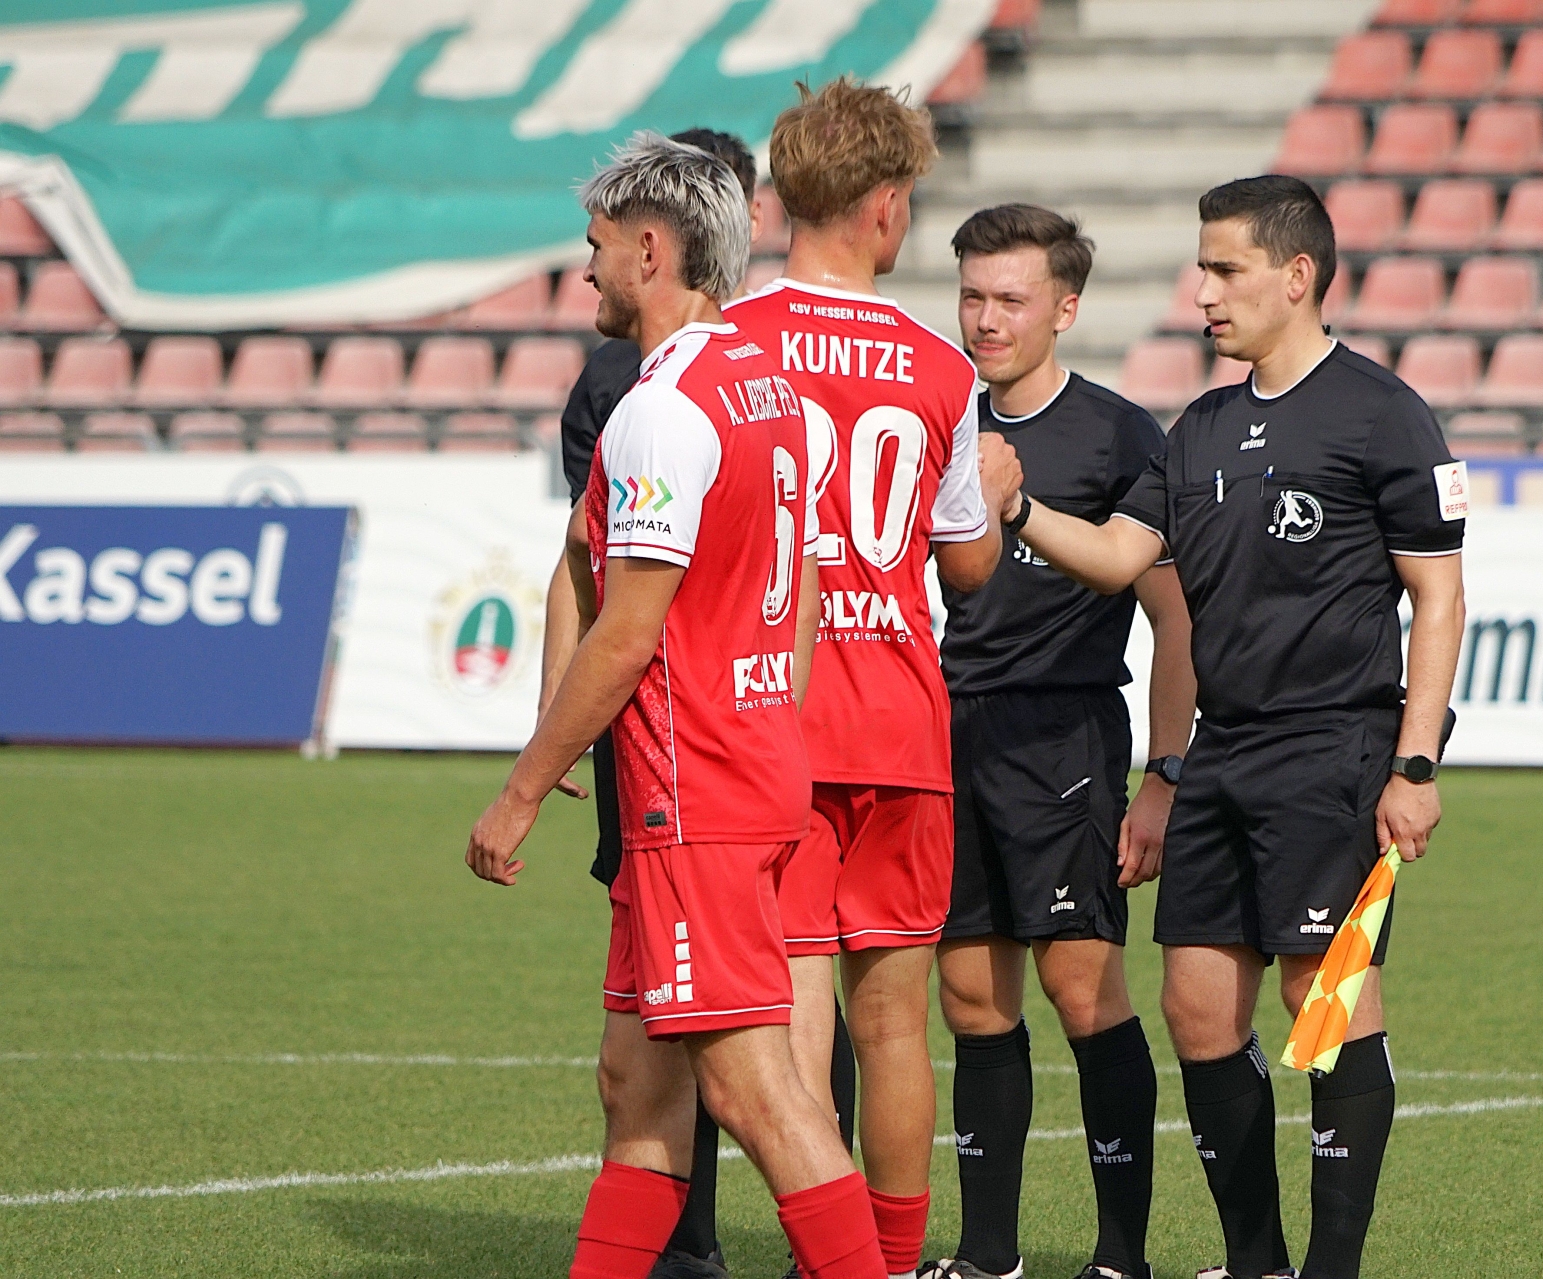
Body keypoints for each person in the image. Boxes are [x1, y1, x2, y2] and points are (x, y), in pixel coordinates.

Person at [979, 175, 1468, 1279]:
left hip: (1334, 748)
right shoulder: (1196, 428)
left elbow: (1438, 597)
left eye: (1224, 269)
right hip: (1222, 752)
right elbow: (1120, 557)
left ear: (1296, 276)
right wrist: (1017, 507)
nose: (1201, 291)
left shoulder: (1381, 412)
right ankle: (1257, 1262)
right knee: (1197, 1008)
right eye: (1202, 268)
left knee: (1320, 1001)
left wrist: (1416, 762)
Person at [467, 133, 883, 1279]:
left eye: (597, 246)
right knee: (637, 1086)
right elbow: (799, 587)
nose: (586, 269)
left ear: (652, 250)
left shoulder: (664, 410)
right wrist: (771, 716)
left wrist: (521, 791)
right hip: (736, 769)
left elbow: (627, 631)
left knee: (756, 1092)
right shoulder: (769, 386)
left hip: (692, 792)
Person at [724, 78, 1021, 1279]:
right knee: (896, 1023)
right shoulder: (940, 367)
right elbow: (968, 569)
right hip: (900, 717)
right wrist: (991, 494)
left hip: (775, 718)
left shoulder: (729, 342)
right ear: (887, 205)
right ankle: (890, 1265)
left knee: (798, 1006)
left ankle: (827, 1259)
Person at [928, 204, 1197, 1279]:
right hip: (950, 735)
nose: (986, 320)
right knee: (969, 998)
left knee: (1084, 991)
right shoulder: (937, 420)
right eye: (972, 296)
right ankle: (987, 1255)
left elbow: (1175, 618)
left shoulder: (1119, 435)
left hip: (1064, 736)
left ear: (1066, 309)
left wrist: (1163, 774)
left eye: (1012, 299)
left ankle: (1120, 1257)